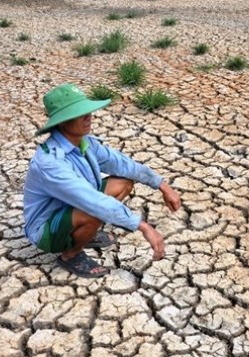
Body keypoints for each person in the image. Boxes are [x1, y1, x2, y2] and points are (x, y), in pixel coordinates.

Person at [23, 83, 181, 278]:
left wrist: (162, 185)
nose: (88, 116)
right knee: (95, 210)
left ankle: (84, 233)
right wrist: (143, 226)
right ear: (62, 122)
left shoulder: (84, 142)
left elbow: (123, 165)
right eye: (79, 113)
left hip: (72, 207)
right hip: (46, 228)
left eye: (87, 111)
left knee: (123, 182)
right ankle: (70, 255)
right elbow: (93, 201)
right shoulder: (50, 163)